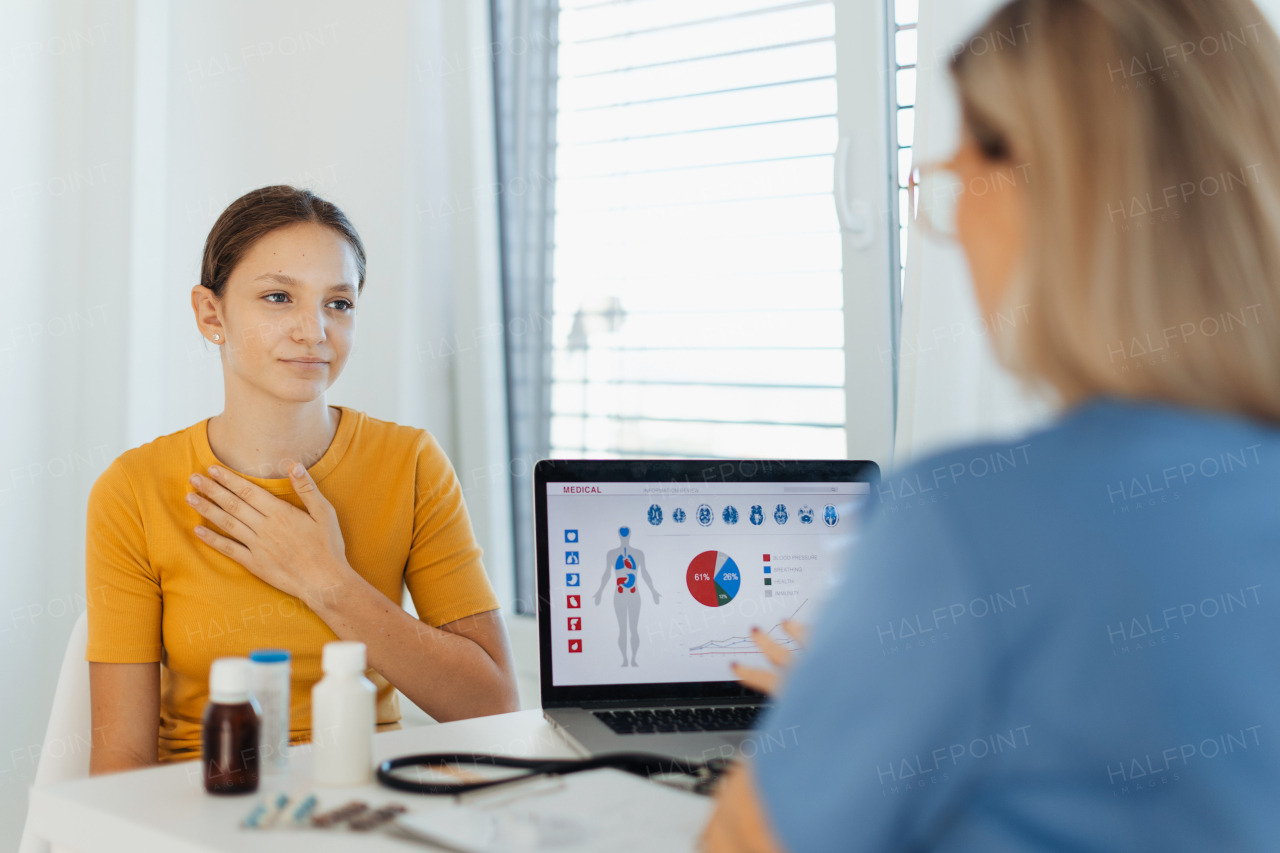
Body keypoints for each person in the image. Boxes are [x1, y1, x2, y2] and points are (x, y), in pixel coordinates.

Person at [706, 0, 1280, 849]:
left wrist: (841, 712)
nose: (954, 218)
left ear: (1061, 185)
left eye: (962, 165)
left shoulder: (971, 519)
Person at [86, 186, 519, 773]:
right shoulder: (134, 489)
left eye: (338, 303)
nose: (314, 330)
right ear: (210, 313)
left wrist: (327, 582)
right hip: (207, 798)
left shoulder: (410, 463)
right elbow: (122, 760)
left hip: (371, 795)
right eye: (278, 297)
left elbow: (493, 707)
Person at [592, 526, 661, 666]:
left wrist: (653, 590)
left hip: (634, 596)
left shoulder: (638, 554)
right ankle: (625, 659)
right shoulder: (611, 554)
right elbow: (607, 574)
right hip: (620, 596)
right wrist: (599, 591)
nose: (624, 536)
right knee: (622, 629)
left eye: (625, 534)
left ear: (628, 535)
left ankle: (633, 659)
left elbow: (644, 574)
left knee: (633, 629)